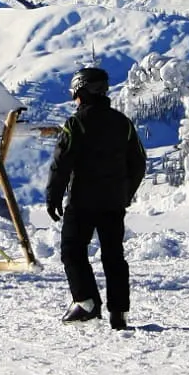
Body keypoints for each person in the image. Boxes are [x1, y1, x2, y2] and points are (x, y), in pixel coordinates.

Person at [46, 66, 147, 330]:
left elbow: (61, 163)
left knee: (72, 250)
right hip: (113, 202)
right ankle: (119, 313)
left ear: (81, 91)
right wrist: (125, 193)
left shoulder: (76, 123)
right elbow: (139, 162)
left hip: (82, 201)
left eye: (75, 93)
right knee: (114, 255)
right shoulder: (123, 123)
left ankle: (85, 301)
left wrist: (53, 196)